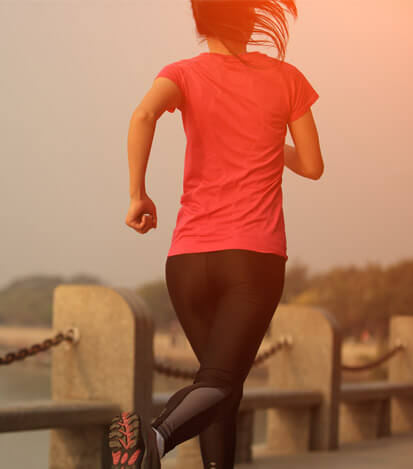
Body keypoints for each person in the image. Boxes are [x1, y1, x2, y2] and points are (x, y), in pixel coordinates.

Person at [107, 1, 323, 468]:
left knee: (218, 386)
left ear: (200, 24)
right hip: (253, 259)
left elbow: (142, 117)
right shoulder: (288, 80)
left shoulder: (182, 73)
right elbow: (312, 165)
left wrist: (136, 195)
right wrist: (268, 142)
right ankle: (154, 438)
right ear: (251, 21)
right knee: (221, 382)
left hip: (187, 262)